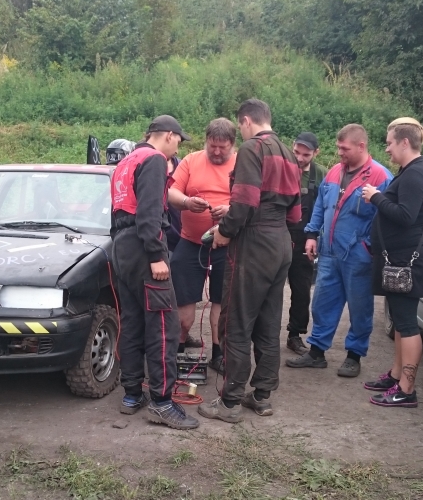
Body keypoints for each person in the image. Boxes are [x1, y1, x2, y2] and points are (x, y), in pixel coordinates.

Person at [197, 99, 301, 422]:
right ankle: (262, 395)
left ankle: (229, 402)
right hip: (281, 241)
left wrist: (224, 232)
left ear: (245, 121)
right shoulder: (288, 153)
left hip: (254, 244)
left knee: (236, 322)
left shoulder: (252, 149)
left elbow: (244, 202)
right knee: (269, 322)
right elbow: (295, 212)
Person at [110, 115, 199, 430]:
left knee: (132, 322)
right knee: (164, 325)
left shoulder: (125, 162)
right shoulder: (155, 160)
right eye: (179, 142)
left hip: (121, 248)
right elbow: (149, 213)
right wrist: (157, 255)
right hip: (144, 248)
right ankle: (162, 402)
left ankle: (132, 394)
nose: (178, 149)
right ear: (169, 136)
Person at [285, 124, 392, 377]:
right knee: (322, 303)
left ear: (361, 146)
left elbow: (386, 217)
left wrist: (369, 248)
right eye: (338, 147)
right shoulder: (334, 172)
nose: (340, 152)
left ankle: (354, 356)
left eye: (344, 148)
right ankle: (317, 353)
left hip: (359, 255)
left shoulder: (381, 177)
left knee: (360, 307)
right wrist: (312, 234)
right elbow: (320, 206)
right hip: (330, 252)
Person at [361, 118, 423, 407]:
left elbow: (405, 216)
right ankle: (396, 376)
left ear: (405, 142)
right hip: (398, 260)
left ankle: (406, 389)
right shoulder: (410, 172)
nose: (387, 148)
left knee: (407, 324)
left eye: (390, 143)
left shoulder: (415, 174)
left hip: (406, 263)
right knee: (400, 324)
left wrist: (376, 197)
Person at [166, 118, 237, 365]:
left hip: (226, 244)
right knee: (183, 303)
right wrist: (187, 202)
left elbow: (252, 200)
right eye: (212, 146)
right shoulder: (191, 160)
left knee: (221, 301)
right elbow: (171, 191)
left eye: (222, 148)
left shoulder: (243, 163)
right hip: (190, 242)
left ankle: (218, 353)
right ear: (206, 140)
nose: (216, 152)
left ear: (232, 144)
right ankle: (178, 349)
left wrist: (230, 210)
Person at [285, 132, 327, 355]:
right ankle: (263, 333)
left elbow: (325, 208)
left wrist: (316, 236)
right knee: (268, 289)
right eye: (297, 153)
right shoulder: (282, 167)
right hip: (279, 235)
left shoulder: (321, 175)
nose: (300, 158)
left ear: (316, 153)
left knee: (301, 290)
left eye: (306, 155)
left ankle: (295, 334)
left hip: (305, 239)